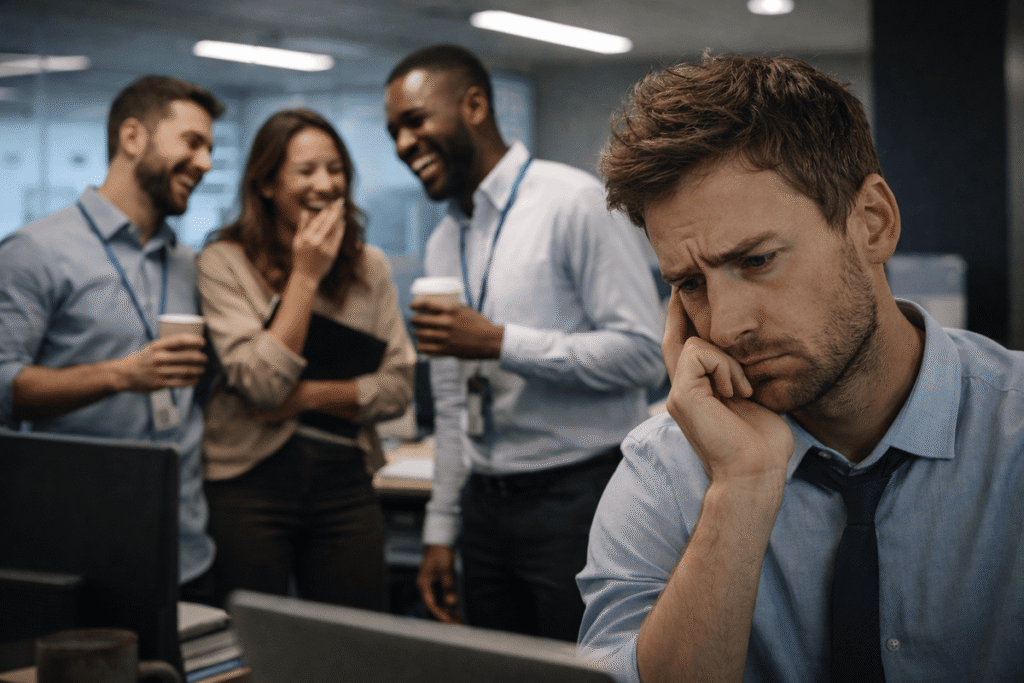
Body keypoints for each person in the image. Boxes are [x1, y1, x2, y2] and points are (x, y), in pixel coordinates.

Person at [577, 53, 1024, 682]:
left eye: (757, 261)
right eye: (689, 284)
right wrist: (740, 485)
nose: (726, 326)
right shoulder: (665, 471)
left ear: (872, 223)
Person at [384, 45, 665, 641]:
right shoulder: (442, 243)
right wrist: (440, 530)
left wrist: (500, 343)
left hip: (579, 495)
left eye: (414, 121)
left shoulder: (574, 203)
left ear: (475, 105)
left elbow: (644, 353)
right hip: (484, 509)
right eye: (393, 133)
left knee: (584, 671)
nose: (403, 144)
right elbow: (455, 404)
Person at [0, 75, 223, 600]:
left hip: (186, 549)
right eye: (192, 142)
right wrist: (120, 375)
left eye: (210, 148)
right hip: (80, 549)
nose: (205, 163)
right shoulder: (37, 251)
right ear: (132, 138)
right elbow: (3, 385)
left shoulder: (190, 265)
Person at [197, 109, 416, 610]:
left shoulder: (369, 265)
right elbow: (262, 386)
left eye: (335, 169)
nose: (325, 183)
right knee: (258, 642)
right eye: (306, 170)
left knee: (356, 644)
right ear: (268, 183)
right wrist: (305, 274)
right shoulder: (223, 262)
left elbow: (398, 387)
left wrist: (305, 397)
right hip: (248, 484)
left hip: (344, 479)